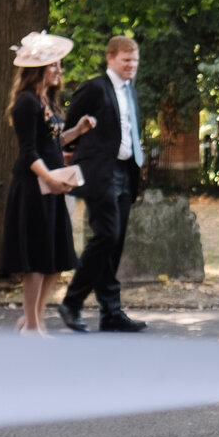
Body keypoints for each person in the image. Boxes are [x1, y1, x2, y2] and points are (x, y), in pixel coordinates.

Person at [0, 32, 89, 334]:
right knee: (36, 260)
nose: (58, 71)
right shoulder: (26, 103)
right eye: (53, 66)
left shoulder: (46, 100)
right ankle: (33, 326)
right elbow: (29, 153)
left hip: (51, 188)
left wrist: (76, 130)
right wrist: (52, 178)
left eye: (59, 65)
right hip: (32, 190)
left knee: (55, 259)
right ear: (37, 69)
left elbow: (53, 141)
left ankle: (32, 320)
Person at [62, 36, 147, 333]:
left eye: (134, 61)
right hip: (100, 172)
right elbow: (69, 127)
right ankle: (72, 302)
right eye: (126, 61)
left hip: (125, 171)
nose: (131, 66)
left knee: (115, 241)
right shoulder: (94, 87)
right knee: (106, 235)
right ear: (110, 59)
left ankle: (111, 312)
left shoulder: (131, 91)